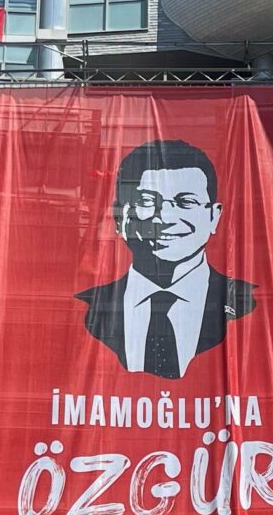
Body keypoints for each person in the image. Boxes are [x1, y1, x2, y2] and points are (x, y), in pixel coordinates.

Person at [77, 138, 254, 377]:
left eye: (186, 202)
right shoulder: (84, 308)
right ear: (121, 217)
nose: (166, 217)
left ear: (213, 216)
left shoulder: (248, 304)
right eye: (148, 201)